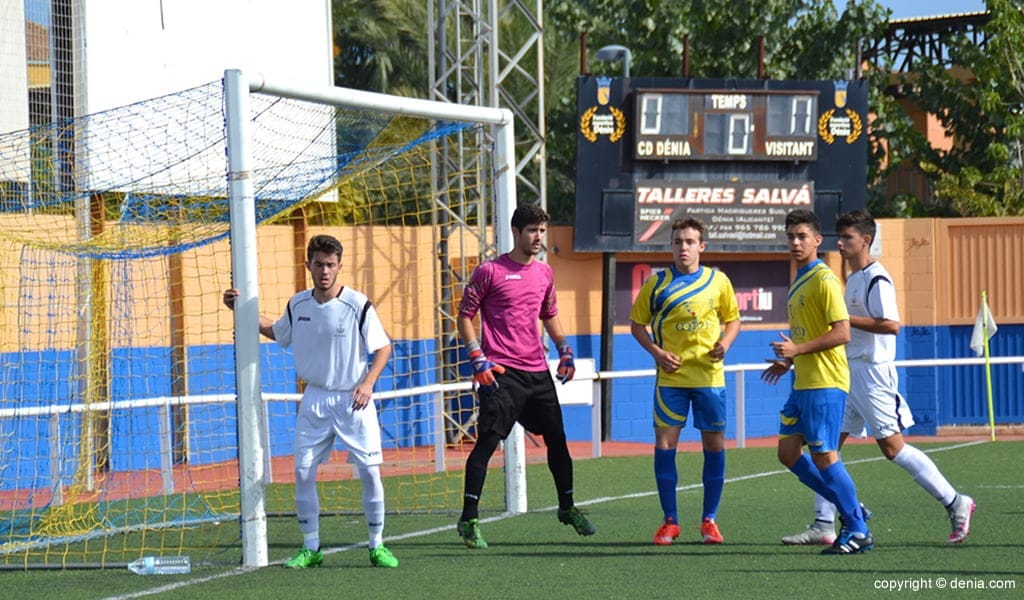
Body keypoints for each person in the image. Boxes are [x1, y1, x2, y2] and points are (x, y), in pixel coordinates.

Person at [781, 209, 975, 546]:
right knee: (826, 450)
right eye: (840, 237)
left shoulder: (876, 277)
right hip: (848, 371)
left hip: (872, 373)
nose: (840, 243)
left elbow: (891, 325)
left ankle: (955, 501)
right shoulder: (853, 278)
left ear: (866, 240)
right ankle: (825, 523)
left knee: (892, 447)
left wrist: (844, 319)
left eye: (848, 237)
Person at [222, 234, 398, 569]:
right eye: (319, 264)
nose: (324, 271)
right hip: (314, 398)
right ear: (309, 266)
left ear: (340, 266)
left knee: (370, 472)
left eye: (330, 265)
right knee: (303, 472)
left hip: (353, 399)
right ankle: (311, 548)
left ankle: (377, 545)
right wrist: (240, 310)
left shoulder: (358, 304)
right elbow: (277, 332)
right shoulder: (298, 304)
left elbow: (383, 347)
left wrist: (368, 384)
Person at [455, 204, 595, 548]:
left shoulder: (545, 273)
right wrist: (477, 358)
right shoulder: (489, 271)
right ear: (516, 232)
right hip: (502, 373)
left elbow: (550, 314)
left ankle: (567, 507)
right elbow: (465, 316)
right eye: (532, 230)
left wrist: (565, 349)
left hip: (537, 372)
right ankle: (469, 519)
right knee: (488, 443)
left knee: (558, 439)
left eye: (542, 231)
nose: (538, 237)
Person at [761, 208, 873, 555]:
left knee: (825, 457)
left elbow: (842, 332)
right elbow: (810, 333)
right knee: (787, 453)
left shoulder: (824, 279)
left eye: (802, 236)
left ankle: (857, 529)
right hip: (802, 382)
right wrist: (789, 360)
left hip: (825, 382)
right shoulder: (800, 279)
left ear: (817, 240)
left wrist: (797, 349)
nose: (796, 242)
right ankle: (850, 506)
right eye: (791, 237)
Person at [629, 218, 741, 545]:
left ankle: (710, 521)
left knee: (714, 447)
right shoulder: (657, 284)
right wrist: (657, 352)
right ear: (671, 246)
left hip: (709, 378)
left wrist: (725, 344)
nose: (683, 247)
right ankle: (670, 522)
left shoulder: (718, 281)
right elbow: (636, 325)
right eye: (678, 241)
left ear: (701, 246)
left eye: (690, 242)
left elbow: (733, 320)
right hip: (671, 379)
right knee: (665, 446)